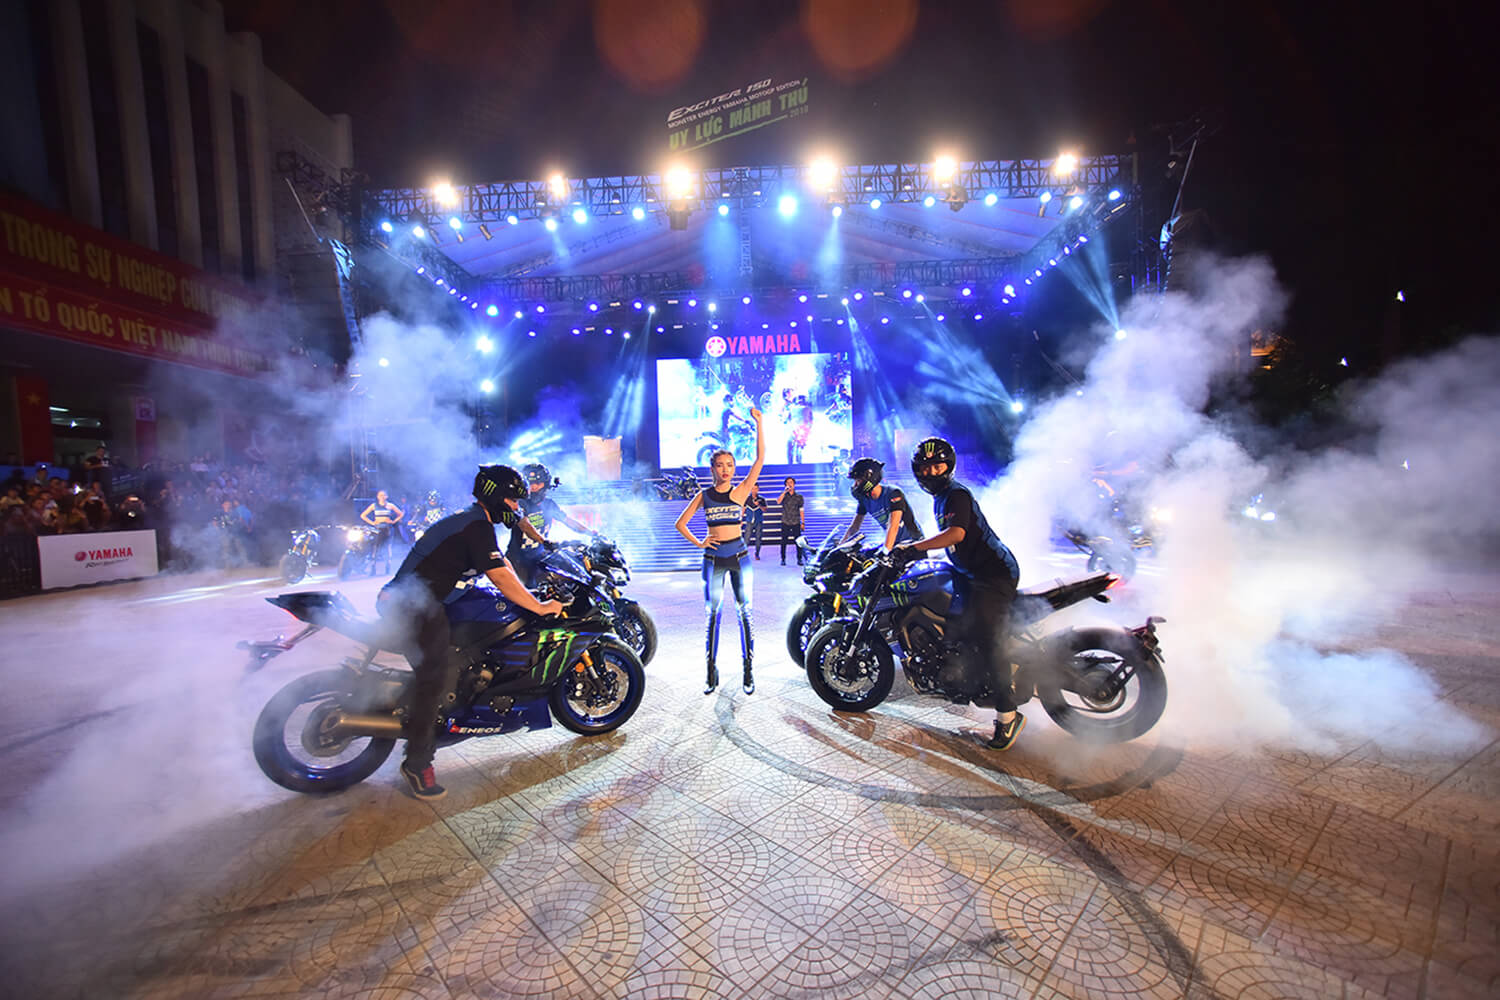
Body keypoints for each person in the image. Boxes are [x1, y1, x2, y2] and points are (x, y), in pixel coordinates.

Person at [377, 465, 565, 799]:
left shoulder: (477, 522)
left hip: (437, 598)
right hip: (410, 604)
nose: (516, 506)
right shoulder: (475, 525)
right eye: (511, 500)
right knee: (435, 676)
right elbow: (500, 577)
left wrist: (530, 595)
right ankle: (417, 762)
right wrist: (539, 608)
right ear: (495, 497)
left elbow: (503, 566)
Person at [895, 437, 1025, 752]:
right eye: (925, 467)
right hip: (970, 573)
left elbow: (956, 533)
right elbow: (950, 539)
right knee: (954, 623)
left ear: (949, 466)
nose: (931, 472)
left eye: (937, 466)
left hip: (993, 575)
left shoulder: (956, 494)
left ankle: (1008, 714)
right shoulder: (940, 497)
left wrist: (914, 548)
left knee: (987, 638)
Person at [675, 408, 766, 695]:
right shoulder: (704, 495)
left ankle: (748, 672)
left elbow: (760, 459)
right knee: (712, 615)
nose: (725, 469)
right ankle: (710, 672)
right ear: (712, 468)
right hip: (713, 560)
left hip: (739, 558)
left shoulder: (740, 492)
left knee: (745, 614)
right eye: (719, 465)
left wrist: (759, 423)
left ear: (734, 468)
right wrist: (700, 542)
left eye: (729, 465)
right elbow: (680, 523)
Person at [506, 463, 595, 586]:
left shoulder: (549, 504)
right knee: (527, 590)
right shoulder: (520, 504)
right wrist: (544, 541)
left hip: (540, 556)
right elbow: (525, 525)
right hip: (518, 559)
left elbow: (568, 521)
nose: (533, 487)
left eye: (538, 483)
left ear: (546, 484)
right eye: (530, 483)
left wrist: (591, 533)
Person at [839, 458, 923, 551]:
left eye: (858, 480)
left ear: (869, 478)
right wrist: (839, 547)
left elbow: (893, 526)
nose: (855, 485)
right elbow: (854, 527)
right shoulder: (865, 499)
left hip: (912, 544)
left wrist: (886, 551)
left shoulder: (893, 493)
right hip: (895, 545)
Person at [360, 490, 404, 574]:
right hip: (378, 528)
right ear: (377, 496)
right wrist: (372, 523)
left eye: (384, 495)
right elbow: (363, 515)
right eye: (380, 495)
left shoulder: (390, 505)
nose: (382, 497)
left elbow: (401, 514)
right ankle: (373, 568)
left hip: (387, 528)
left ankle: (388, 566)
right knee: (376, 547)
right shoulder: (374, 505)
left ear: (387, 496)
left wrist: (394, 521)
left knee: (387, 547)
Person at [775, 476, 805, 565]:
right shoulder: (783, 495)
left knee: (798, 542)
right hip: (785, 521)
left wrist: (803, 522)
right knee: (783, 541)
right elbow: (778, 501)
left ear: (794, 484)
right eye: (787, 483)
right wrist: (784, 492)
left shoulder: (799, 497)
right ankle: (783, 559)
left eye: (791, 482)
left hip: (796, 521)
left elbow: (801, 510)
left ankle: (799, 559)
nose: (789, 484)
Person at [743, 485, 767, 558]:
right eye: (752, 488)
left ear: (758, 489)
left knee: (758, 538)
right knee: (746, 538)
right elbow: (743, 509)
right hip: (749, 521)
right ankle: (744, 554)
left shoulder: (761, 499)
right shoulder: (747, 498)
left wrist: (759, 505)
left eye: (756, 488)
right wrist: (740, 519)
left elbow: (765, 509)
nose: (754, 490)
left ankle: (757, 553)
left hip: (758, 521)